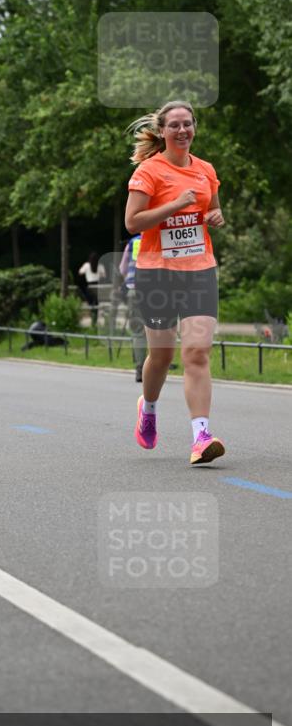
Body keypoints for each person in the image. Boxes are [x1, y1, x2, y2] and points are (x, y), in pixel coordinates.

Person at [125, 100, 225, 465]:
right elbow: (133, 222)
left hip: (199, 270)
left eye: (188, 124)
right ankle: (148, 408)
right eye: (174, 125)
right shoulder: (149, 171)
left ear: (194, 127)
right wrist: (175, 204)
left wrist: (215, 215)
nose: (182, 130)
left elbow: (212, 207)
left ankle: (201, 436)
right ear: (162, 131)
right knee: (162, 356)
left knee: (196, 352)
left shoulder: (205, 170)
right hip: (157, 274)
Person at [119, 234, 147, 382]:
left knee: (138, 332)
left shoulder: (133, 242)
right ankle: (158, 365)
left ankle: (140, 368)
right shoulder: (162, 237)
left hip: (135, 290)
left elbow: (122, 269)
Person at [77, 252, 107, 325]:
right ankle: (95, 319)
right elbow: (104, 276)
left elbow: (80, 272)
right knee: (96, 303)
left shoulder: (86, 265)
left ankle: (93, 319)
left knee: (91, 304)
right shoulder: (100, 266)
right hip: (98, 286)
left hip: (90, 286)